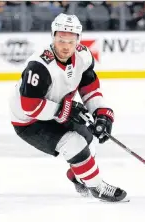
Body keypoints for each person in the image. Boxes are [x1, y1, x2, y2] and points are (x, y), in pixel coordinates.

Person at [9, 13, 127, 202]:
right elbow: (29, 106)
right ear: (53, 37)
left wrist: (101, 112)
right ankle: (97, 187)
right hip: (29, 121)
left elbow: (89, 86)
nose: (65, 46)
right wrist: (65, 110)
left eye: (70, 41)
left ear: (78, 40)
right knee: (74, 144)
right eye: (61, 39)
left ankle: (77, 176)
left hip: (57, 110)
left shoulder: (83, 56)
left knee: (89, 141)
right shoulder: (39, 66)